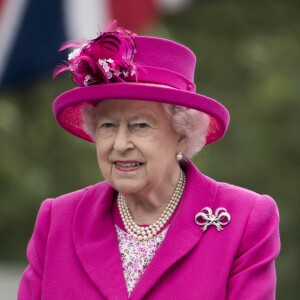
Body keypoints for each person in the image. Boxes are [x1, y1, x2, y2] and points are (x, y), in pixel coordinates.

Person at [18, 22, 280, 300]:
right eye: (107, 126)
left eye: (140, 125)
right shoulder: (57, 219)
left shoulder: (244, 219)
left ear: (181, 134)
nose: (120, 144)